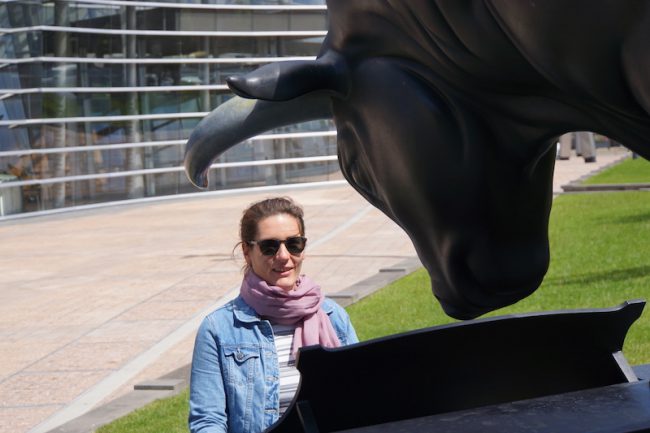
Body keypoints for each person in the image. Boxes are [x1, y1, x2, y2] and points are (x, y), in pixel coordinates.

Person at [188, 197, 358, 433]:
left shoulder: (333, 316)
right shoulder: (219, 329)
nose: (283, 256)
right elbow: (207, 421)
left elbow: (359, 399)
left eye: (294, 244)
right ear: (247, 252)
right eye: (269, 247)